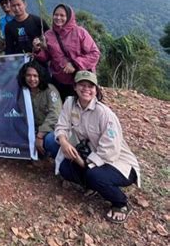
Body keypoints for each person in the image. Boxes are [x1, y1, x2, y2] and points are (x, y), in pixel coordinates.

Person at [54, 71, 140, 224]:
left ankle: (120, 203)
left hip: (119, 163)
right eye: (82, 85)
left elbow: (110, 150)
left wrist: (85, 163)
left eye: (90, 86)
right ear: (74, 87)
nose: (86, 89)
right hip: (91, 156)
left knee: (94, 175)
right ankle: (93, 186)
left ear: (96, 89)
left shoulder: (104, 113)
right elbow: (61, 125)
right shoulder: (69, 103)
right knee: (65, 168)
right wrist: (64, 141)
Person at [33, 4, 100, 100]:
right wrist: (38, 50)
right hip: (59, 79)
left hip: (80, 80)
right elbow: (47, 56)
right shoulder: (49, 35)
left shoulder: (80, 32)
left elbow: (94, 54)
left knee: (80, 109)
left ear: (69, 17)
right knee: (61, 109)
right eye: (56, 15)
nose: (58, 18)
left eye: (62, 15)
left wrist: (75, 64)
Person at [17, 61, 62, 158]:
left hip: (48, 130)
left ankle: (57, 160)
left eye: (35, 76)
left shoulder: (50, 90)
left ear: (40, 77)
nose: (32, 79)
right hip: (31, 130)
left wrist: (40, 135)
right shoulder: (23, 92)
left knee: (50, 139)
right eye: (28, 75)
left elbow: (55, 115)